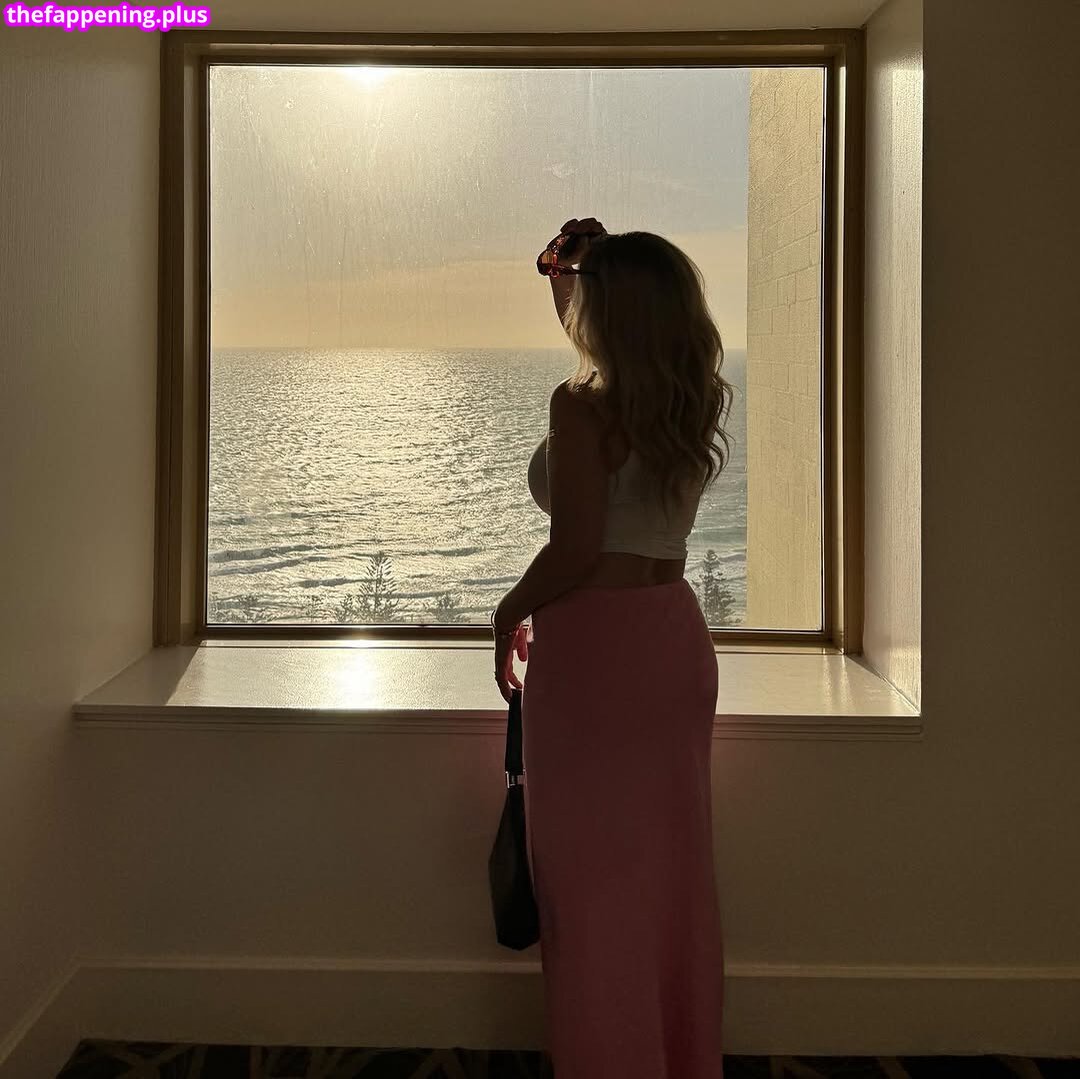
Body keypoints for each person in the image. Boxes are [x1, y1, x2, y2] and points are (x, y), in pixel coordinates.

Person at [490, 218, 735, 1078]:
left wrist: (506, 612)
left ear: (608, 308)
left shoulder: (581, 406)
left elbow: (575, 549)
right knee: (667, 873)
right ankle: (676, 1056)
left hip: (596, 652)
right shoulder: (687, 398)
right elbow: (601, 337)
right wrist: (567, 272)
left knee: (589, 882)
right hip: (671, 641)